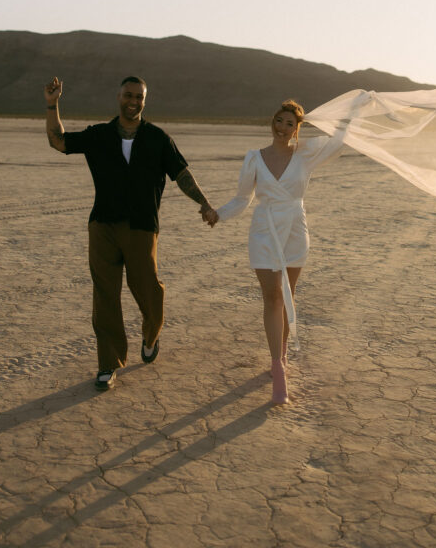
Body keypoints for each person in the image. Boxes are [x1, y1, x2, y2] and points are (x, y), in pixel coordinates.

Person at [45, 74, 215, 390]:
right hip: (103, 225)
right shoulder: (100, 135)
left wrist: (204, 203)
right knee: (105, 295)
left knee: (148, 288)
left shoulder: (158, 138)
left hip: (141, 227)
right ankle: (108, 365)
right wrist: (52, 105)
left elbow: (181, 174)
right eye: (129, 95)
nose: (133, 101)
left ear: (144, 101)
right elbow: (59, 141)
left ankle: (151, 334)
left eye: (139, 96)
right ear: (119, 97)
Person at [202, 99, 348, 405]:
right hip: (265, 230)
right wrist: (219, 214)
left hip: (295, 229)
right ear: (273, 123)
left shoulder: (306, 154)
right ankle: (277, 367)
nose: (283, 128)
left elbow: (338, 142)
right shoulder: (254, 158)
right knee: (272, 297)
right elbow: (243, 198)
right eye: (279, 122)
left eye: (290, 124)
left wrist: (355, 110)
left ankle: (280, 356)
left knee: (287, 294)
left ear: (297, 129)